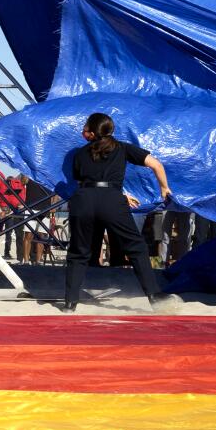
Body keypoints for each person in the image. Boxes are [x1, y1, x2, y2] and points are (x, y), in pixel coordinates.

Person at [62, 112, 178, 312]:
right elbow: (156, 164)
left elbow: (88, 180)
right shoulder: (122, 148)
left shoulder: (79, 154)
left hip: (83, 200)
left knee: (78, 252)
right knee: (136, 248)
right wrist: (164, 188)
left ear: (91, 131)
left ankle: (70, 303)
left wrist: (115, 193)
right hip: (111, 200)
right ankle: (154, 296)